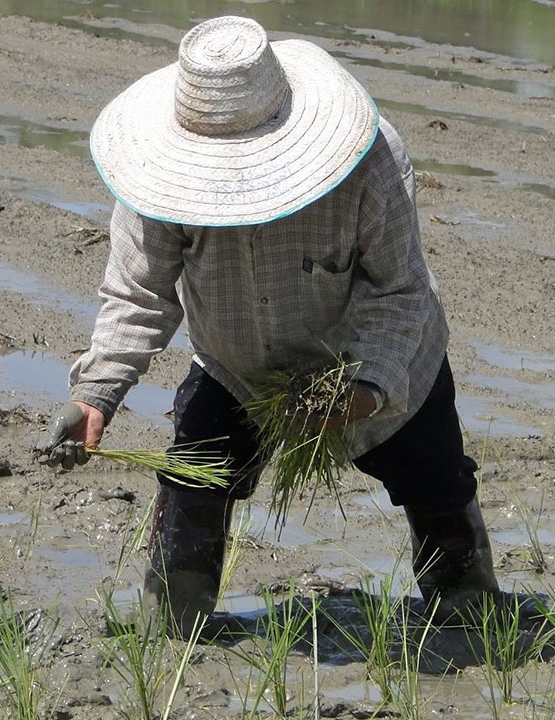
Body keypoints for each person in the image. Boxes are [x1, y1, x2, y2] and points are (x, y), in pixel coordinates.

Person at [39, 16, 499, 636]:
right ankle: (172, 624)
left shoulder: (371, 160)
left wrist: (363, 390)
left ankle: (468, 607)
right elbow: (138, 291)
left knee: (436, 480)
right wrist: (96, 393)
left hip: (371, 357)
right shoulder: (158, 177)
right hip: (235, 364)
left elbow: (401, 291)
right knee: (193, 481)